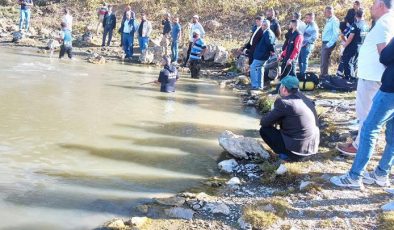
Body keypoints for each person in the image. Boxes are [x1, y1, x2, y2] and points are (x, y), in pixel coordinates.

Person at [330, 36, 394, 189]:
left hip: (390, 89)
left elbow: (385, 57)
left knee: (369, 129)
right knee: (392, 135)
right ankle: (381, 174)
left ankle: (355, 176)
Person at [336, 0, 394, 156]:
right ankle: (363, 142)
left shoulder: (384, 24)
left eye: (374, 4)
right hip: (373, 76)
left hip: (372, 77)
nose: (371, 7)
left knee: (365, 114)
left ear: (381, 5)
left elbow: (386, 54)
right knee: (369, 114)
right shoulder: (386, 21)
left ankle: (359, 146)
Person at [260, 76, 320, 162]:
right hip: (312, 150)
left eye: (280, 86)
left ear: (284, 88)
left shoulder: (284, 103)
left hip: (297, 153)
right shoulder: (305, 99)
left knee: (264, 130)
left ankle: (285, 155)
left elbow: (264, 122)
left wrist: (273, 112)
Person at [336, 10, 365, 80]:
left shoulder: (355, 25)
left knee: (347, 62)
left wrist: (345, 45)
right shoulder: (366, 25)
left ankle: (348, 78)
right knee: (355, 62)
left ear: (355, 16)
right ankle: (354, 77)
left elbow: (348, 36)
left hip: (352, 46)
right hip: (361, 46)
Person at [249, 19, 276, 89]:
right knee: (260, 68)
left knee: (253, 67)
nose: (262, 26)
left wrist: (272, 51)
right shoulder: (267, 32)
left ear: (267, 26)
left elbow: (270, 44)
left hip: (262, 55)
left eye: (264, 25)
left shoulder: (268, 33)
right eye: (262, 25)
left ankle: (255, 85)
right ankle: (259, 86)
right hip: (262, 54)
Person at [320, 6, 340, 77]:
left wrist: (329, 44)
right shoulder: (328, 20)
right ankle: (323, 76)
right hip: (325, 42)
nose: (324, 13)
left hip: (328, 43)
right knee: (323, 60)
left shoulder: (334, 20)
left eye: (325, 12)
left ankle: (324, 77)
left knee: (324, 61)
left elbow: (336, 33)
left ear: (329, 12)